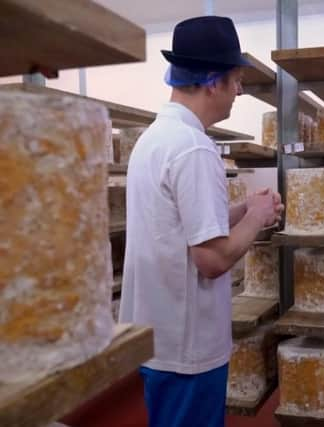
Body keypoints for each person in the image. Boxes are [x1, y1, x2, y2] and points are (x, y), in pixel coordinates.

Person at [118, 16, 284, 427]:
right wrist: (260, 218)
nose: (240, 90)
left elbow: (179, 227)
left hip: (158, 334)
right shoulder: (193, 149)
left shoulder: (155, 139)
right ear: (213, 82)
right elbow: (211, 259)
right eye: (236, 80)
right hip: (188, 344)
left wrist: (242, 209)